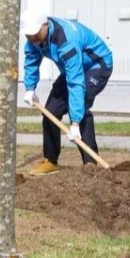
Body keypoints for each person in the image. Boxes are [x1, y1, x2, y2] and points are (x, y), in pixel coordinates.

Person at [20, 12, 114, 176]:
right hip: (73, 69)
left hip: (97, 65)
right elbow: (31, 59)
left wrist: (75, 123)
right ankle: (50, 161)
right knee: (51, 111)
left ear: (45, 25)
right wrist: (30, 88)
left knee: (79, 108)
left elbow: (76, 83)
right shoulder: (34, 39)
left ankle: (90, 165)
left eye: (35, 34)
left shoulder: (65, 39)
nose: (33, 38)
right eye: (29, 35)